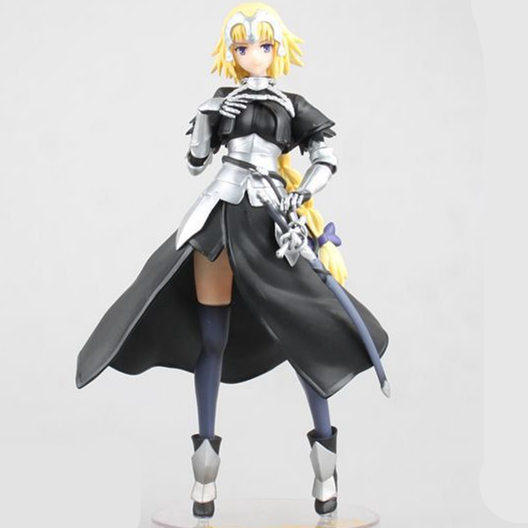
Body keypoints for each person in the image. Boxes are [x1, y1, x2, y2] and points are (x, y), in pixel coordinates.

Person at [76, 2, 388, 518]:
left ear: (277, 48)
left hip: (271, 222)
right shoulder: (222, 100)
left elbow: (326, 155)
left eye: (262, 45)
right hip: (219, 217)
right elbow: (197, 162)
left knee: (303, 333)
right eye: (242, 47)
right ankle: (204, 474)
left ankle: (326, 467)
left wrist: (303, 192)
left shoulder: (291, 105)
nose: (252, 55)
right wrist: (206, 119)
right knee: (212, 338)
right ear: (232, 52)